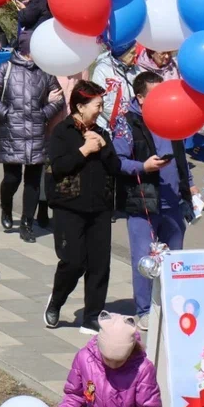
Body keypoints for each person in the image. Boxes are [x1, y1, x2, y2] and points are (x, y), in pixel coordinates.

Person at [113, 72, 196, 329]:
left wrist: (189, 184)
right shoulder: (127, 123)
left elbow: (181, 156)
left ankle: (173, 305)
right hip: (144, 203)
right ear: (140, 98)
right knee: (144, 259)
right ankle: (145, 310)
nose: (163, 98)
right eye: (156, 94)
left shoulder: (172, 118)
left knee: (174, 260)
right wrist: (143, 166)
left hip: (174, 203)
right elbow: (118, 161)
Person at [44, 79, 125, 332]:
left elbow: (116, 167)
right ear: (80, 106)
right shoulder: (62, 132)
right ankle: (56, 301)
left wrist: (103, 147)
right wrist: (84, 150)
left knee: (100, 264)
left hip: (100, 208)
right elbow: (58, 167)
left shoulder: (102, 133)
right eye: (97, 105)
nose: (100, 110)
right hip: (68, 206)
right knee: (73, 261)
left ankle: (92, 316)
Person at [0, 32, 65, 243]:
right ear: (28, 50)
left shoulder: (46, 72)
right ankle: (6, 206)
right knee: (12, 178)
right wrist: (6, 114)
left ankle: (27, 224)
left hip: (37, 132)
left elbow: (59, 99)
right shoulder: (6, 68)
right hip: (12, 132)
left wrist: (44, 113)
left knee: (33, 182)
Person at [92, 42, 140, 132]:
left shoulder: (136, 69)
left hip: (133, 123)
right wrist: (123, 120)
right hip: (109, 126)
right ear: (122, 53)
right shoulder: (102, 70)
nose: (136, 55)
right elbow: (102, 101)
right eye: (132, 52)